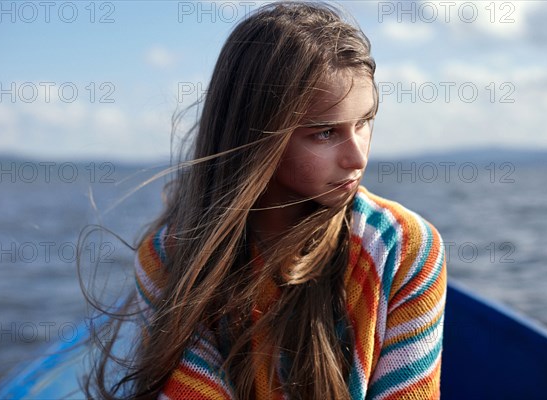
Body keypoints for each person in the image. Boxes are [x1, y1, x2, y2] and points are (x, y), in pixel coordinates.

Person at [87, 2, 447, 399]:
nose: (357, 157)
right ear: (257, 136)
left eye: (363, 122)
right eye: (325, 132)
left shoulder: (402, 246)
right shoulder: (170, 259)